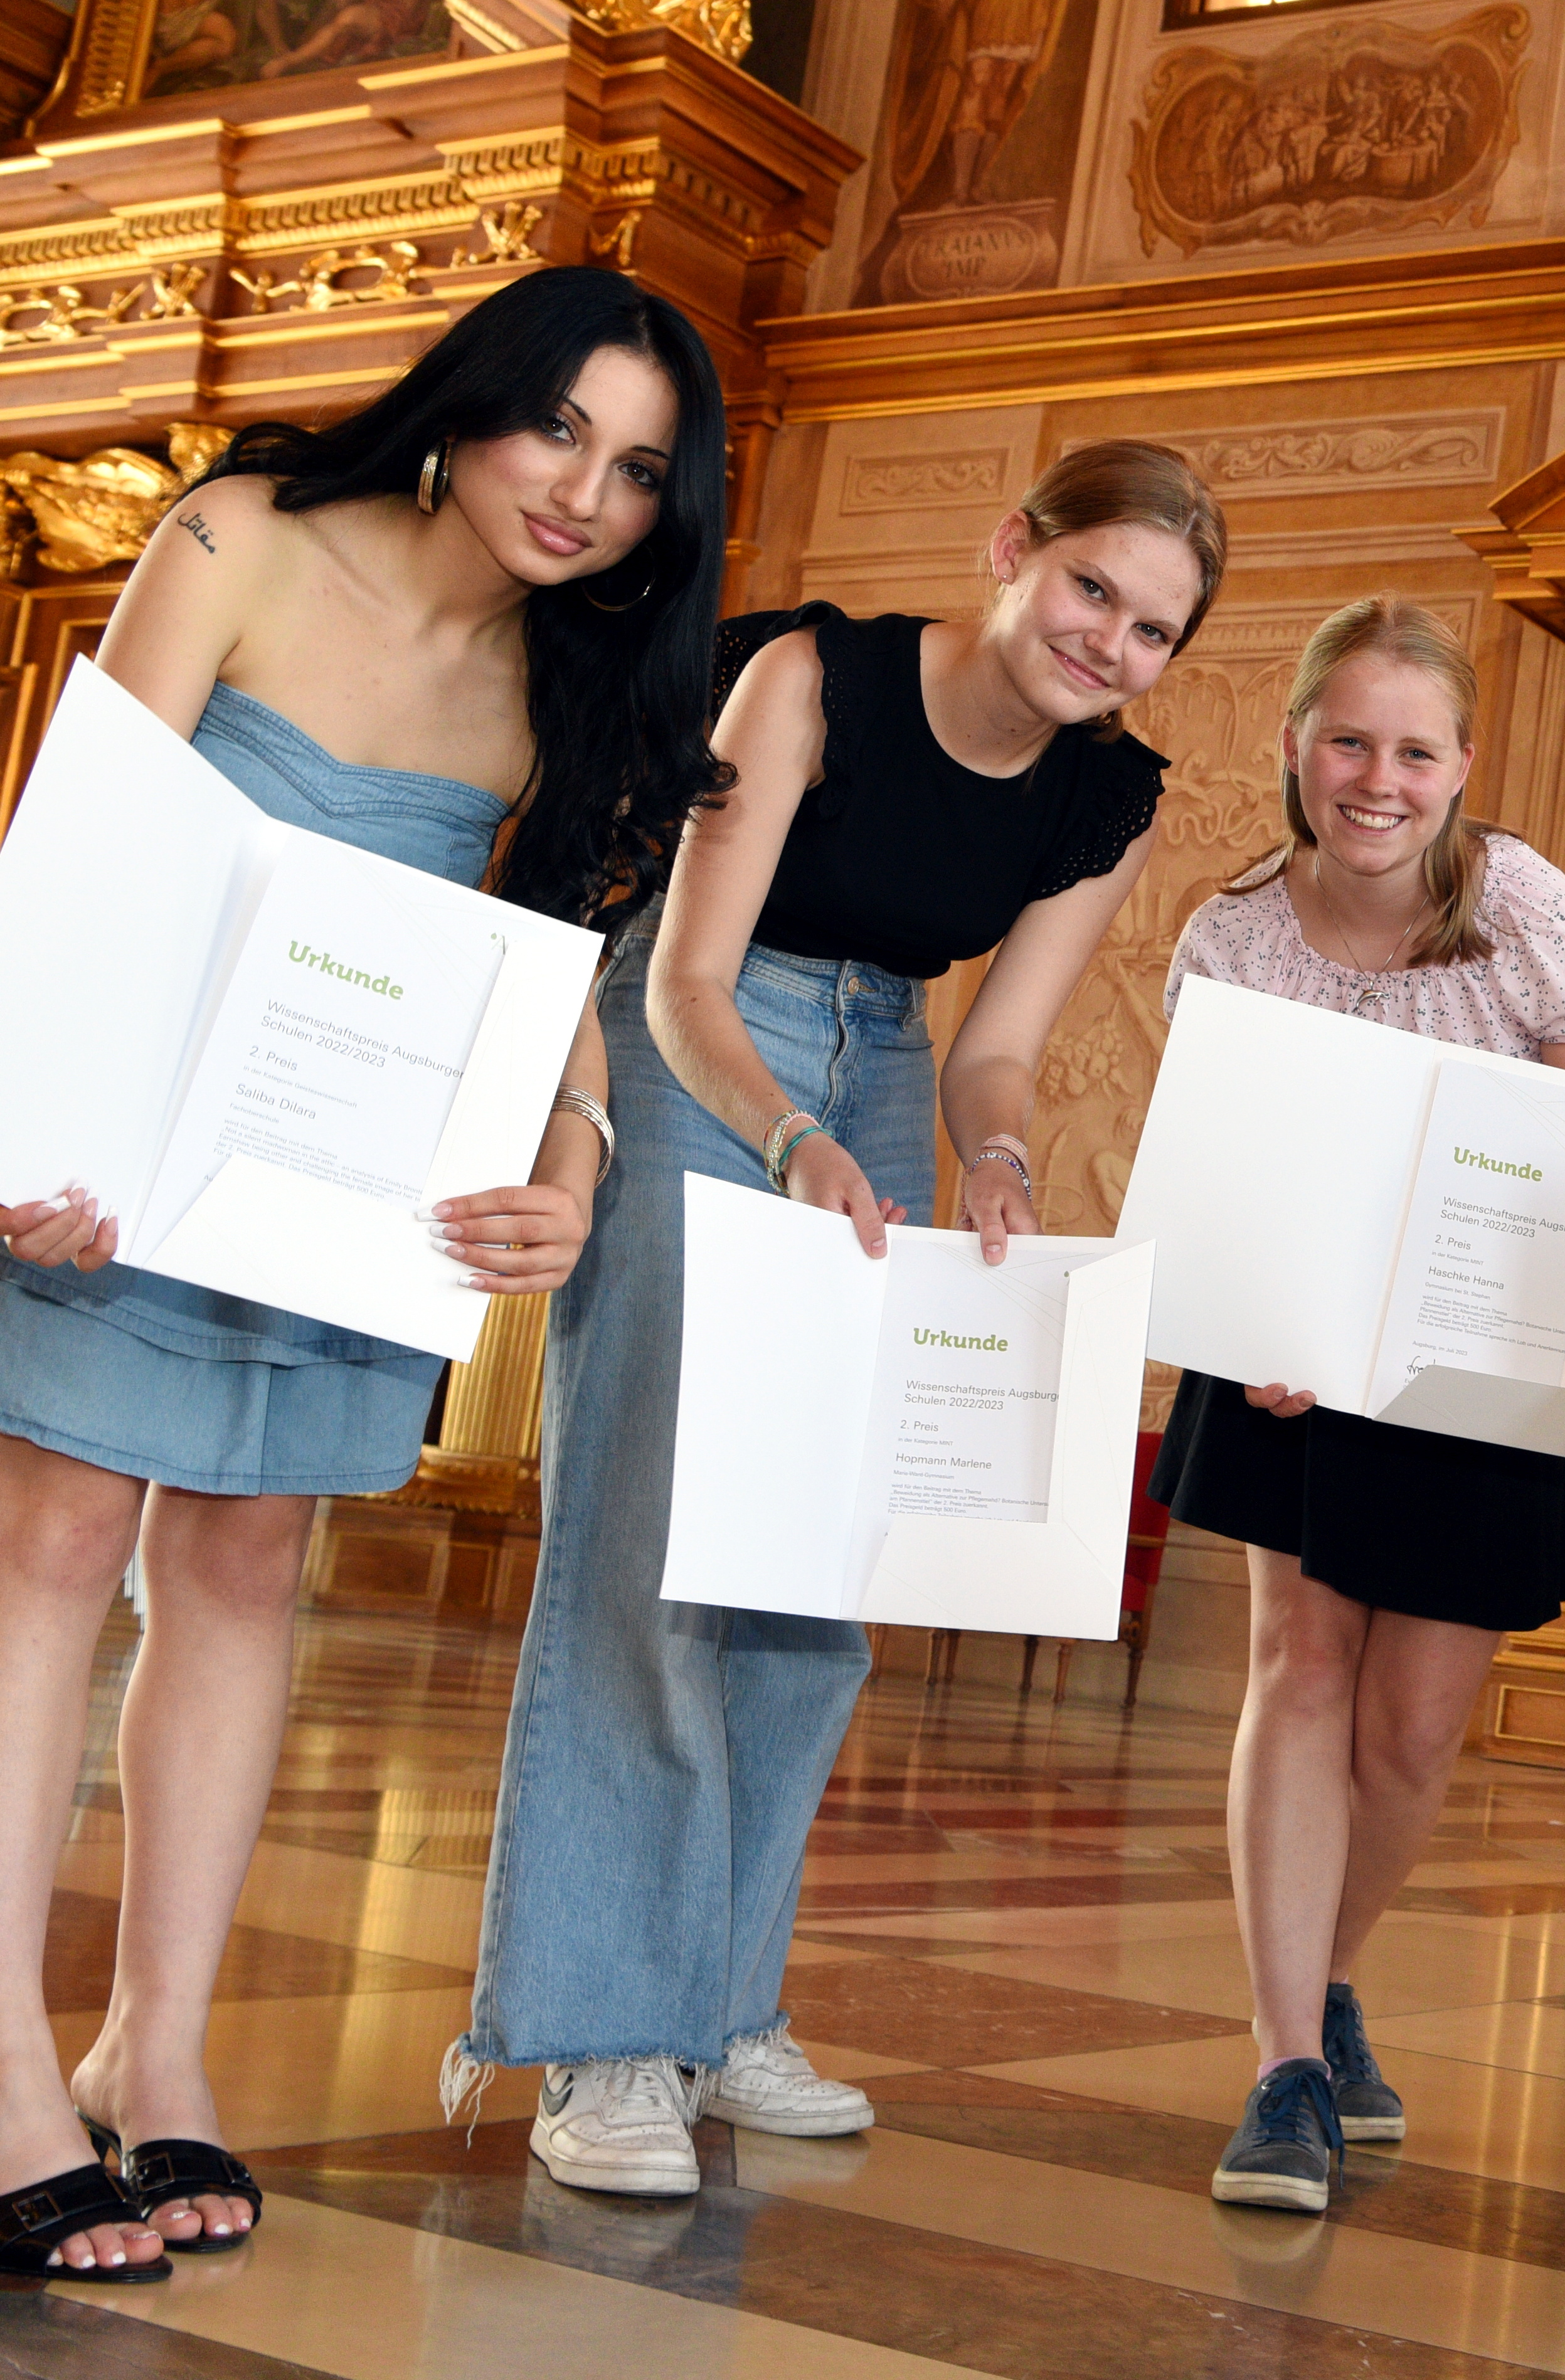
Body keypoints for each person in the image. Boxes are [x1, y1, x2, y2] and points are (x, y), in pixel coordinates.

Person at [0, 267, 728, 2279]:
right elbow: (76, 861)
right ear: (477, 400)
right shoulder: (235, 537)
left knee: (239, 1573)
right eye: (560, 429)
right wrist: (20, 1140)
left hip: (328, 1201)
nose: (586, 493)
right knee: (51, 1549)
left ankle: (161, 2058)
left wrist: (574, 1156)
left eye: (642, 469)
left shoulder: (571, 697)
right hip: (104, 1161)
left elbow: (560, 995)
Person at [452, 441, 1223, 2196]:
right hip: (708, 1044)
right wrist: (790, 1139)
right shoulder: (810, 677)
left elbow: (996, 1047)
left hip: (880, 1061)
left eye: (1155, 630)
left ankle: (720, 2009)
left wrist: (1007, 1158)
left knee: (810, 1571)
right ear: (1012, 547)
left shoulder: (1106, 796)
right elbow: (684, 975)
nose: (1110, 645)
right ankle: (595, 2041)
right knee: (649, 1545)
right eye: (1093, 588)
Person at [1152, 596, 1565, 2217]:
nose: (1377, 778)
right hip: (1291, 1347)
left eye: (1413, 749)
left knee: (1415, 1726)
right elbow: (1229, 1169)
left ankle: (1332, 1979)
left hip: (1483, 1354)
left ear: (1464, 766)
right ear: (1296, 746)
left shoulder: (1538, 919)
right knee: (1299, 1668)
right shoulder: (1230, 934)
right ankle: (1285, 2060)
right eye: (1347, 741)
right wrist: (1265, 1310)